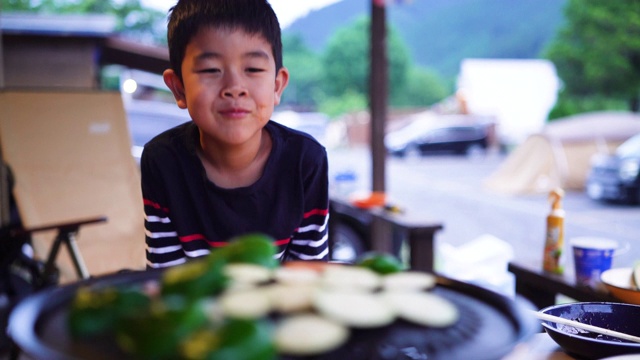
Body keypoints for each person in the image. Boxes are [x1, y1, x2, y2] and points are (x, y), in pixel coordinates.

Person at [141, 0, 329, 269]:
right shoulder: (162, 161)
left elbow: (308, 277)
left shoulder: (305, 161)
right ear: (179, 88)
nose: (235, 87)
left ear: (277, 85)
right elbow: (168, 283)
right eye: (210, 70)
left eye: (252, 69)